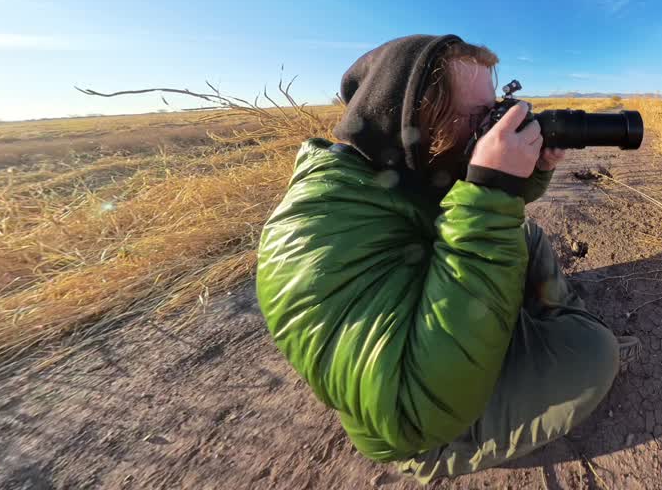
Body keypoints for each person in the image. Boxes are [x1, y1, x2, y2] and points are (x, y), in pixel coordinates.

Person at [256, 34, 637, 482]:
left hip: (444, 323)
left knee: (520, 232)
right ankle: (542, 341)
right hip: (421, 421)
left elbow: (459, 201)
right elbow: (413, 410)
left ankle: (531, 323)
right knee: (593, 355)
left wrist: (528, 175)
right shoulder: (306, 235)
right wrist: (491, 190)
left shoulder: (396, 169)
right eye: (479, 116)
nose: (493, 126)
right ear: (411, 120)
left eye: (494, 109)